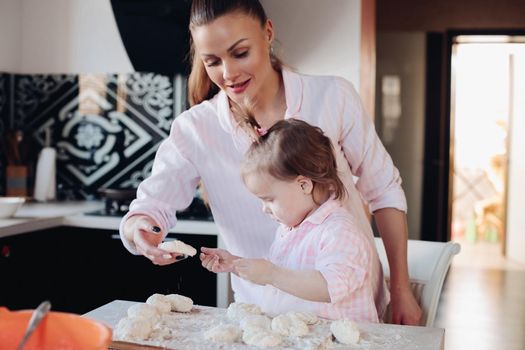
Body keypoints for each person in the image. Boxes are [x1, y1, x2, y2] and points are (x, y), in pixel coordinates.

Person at [119, 0, 422, 325]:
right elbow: (150, 206)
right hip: (266, 316)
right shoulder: (195, 128)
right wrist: (141, 230)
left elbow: (384, 191)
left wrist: (401, 288)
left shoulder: (333, 96)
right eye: (212, 62)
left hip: (350, 308)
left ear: (268, 33)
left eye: (240, 53)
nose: (229, 73)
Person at [200, 117, 388, 322]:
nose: (265, 209)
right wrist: (236, 264)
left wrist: (272, 274)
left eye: (269, 199)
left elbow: (329, 287)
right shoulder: (291, 229)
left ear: (304, 185)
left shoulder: (339, 231)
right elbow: (284, 278)